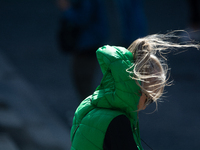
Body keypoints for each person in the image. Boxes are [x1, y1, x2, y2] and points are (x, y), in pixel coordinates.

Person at [70, 31, 199, 150]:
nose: (144, 107)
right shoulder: (118, 122)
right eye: (149, 100)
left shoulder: (89, 104)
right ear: (138, 88)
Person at [57, 0, 147, 101]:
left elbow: (83, 17)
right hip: (93, 41)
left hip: (89, 43)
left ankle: (89, 113)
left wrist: (66, 9)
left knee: (83, 80)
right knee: (84, 80)